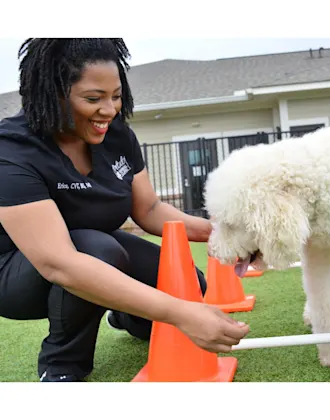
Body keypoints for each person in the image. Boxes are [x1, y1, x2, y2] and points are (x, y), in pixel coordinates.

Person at [0, 38, 250, 382]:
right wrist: (180, 313)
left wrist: (225, 233)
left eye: (115, 96)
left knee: (191, 286)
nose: (110, 110)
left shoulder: (116, 134)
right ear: (51, 93)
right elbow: (59, 263)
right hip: (17, 274)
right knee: (97, 250)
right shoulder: (12, 151)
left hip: (99, 251)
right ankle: (62, 367)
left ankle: (125, 315)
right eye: (93, 99)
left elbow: (148, 209)